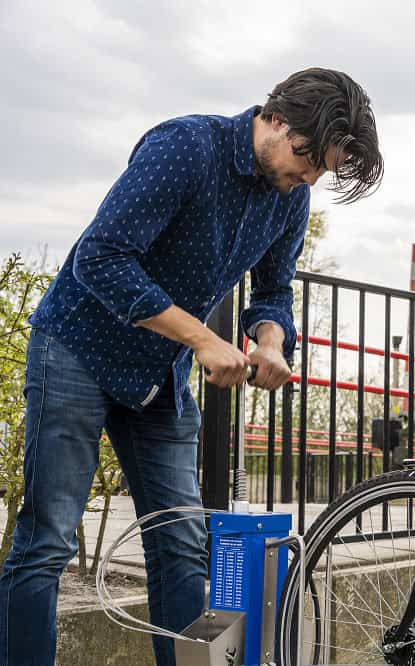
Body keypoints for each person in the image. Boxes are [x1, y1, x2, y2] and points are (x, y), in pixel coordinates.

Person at [0, 67, 383, 666]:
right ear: (276, 118)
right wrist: (204, 338)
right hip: (77, 349)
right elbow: (101, 259)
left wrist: (272, 340)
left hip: (158, 377)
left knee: (180, 543)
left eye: (321, 170)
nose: (308, 175)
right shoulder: (185, 147)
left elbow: (273, 290)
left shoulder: (291, 197)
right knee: (48, 541)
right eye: (307, 156)